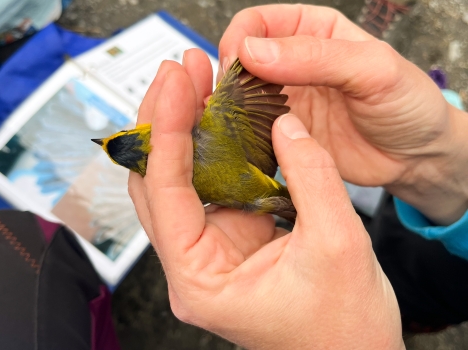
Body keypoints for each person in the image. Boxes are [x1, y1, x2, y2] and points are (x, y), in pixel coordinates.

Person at [128, 4, 468, 349]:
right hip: (434, 237)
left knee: (405, 285)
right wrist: (437, 156)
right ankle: (404, 313)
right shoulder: (216, 120)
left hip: (427, 265)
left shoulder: (189, 166)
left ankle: (403, 314)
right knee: (404, 277)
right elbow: (242, 85)